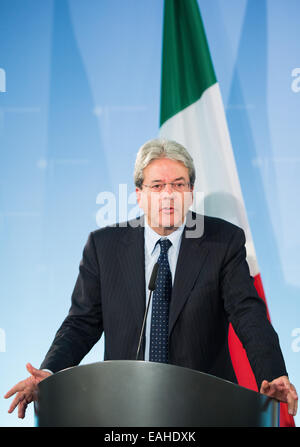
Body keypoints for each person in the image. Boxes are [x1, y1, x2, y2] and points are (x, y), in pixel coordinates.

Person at [5, 138, 298, 419]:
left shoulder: (222, 242)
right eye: (157, 186)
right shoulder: (103, 247)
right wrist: (50, 374)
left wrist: (273, 373)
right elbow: (81, 324)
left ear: (191, 191)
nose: (168, 194)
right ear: (139, 194)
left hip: (203, 406)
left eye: (178, 185)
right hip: (125, 407)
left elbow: (249, 314)